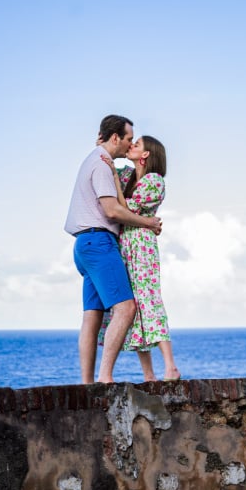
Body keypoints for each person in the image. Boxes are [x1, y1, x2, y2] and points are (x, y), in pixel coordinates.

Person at [64, 115, 162, 384]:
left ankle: (87, 384)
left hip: (84, 245)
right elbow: (112, 209)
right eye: (129, 138)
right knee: (126, 308)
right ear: (116, 137)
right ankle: (105, 377)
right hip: (99, 243)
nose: (130, 143)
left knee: (92, 317)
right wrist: (148, 223)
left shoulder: (96, 160)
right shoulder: (102, 164)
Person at [99, 135, 181, 381]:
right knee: (133, 309)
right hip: (124, 245)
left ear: (146, 155)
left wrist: (114, 177)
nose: (131, 146)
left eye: (137, 145)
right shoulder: (127, 176)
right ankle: (149, 374)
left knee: (149, 300)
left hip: (141, 246)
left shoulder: (154, 181)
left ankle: (170, 366)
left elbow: (126, 209)